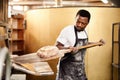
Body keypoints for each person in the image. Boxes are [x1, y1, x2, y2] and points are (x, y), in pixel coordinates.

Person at [55, 9, 101, 80]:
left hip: (79, 69)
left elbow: (84, 44)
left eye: (83, 23)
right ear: (75, 18)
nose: (79, 25)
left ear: (87, 23)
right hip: (66, 71)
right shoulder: (67, 30)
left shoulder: (84, 32)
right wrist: (68, 48)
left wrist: (97, 43)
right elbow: (57, 46)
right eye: (78, 22)